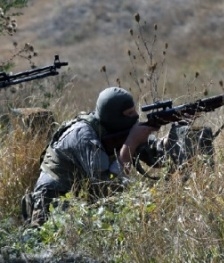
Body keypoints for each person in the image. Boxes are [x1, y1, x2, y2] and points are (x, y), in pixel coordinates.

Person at [22, 87, 163, 227]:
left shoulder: (115, 129)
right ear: (114, 117)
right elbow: (106, 188)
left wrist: (174, 138)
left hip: (80, 201)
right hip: (52, 202)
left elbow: (156, 156)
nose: (136, 117)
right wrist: (131, 144)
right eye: (130, 113)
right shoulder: (84, 136)